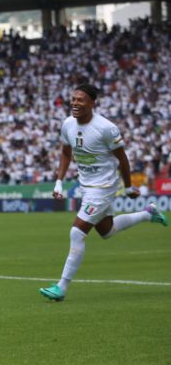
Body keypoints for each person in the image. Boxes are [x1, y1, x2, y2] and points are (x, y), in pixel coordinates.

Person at [40, 84, 167, 302]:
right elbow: (65, 152)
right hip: (86, 186)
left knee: (77, 232)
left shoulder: (106, 128)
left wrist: (127, 187)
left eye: (80, 100)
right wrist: (59, 181)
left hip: (104, 187)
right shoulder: (68, 124)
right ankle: (148, 213)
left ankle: (61, 287)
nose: (75, 103)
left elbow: (122, 159)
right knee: (107, 231)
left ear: (92, 103)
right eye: (73, 99)